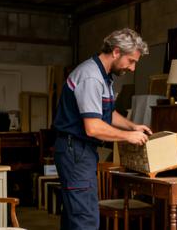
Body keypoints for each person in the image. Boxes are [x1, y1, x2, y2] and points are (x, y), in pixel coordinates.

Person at [53, 28, 152, 229]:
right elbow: (93, 127)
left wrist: (133, 125)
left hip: (80, 151)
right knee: (85, 220)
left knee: (75, 216)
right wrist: (128, 136)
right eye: (131, 61)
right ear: (116, 52)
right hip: (76, 151)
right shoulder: (91, 77)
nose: (132, 68)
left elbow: (107, 114)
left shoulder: (103, 75)